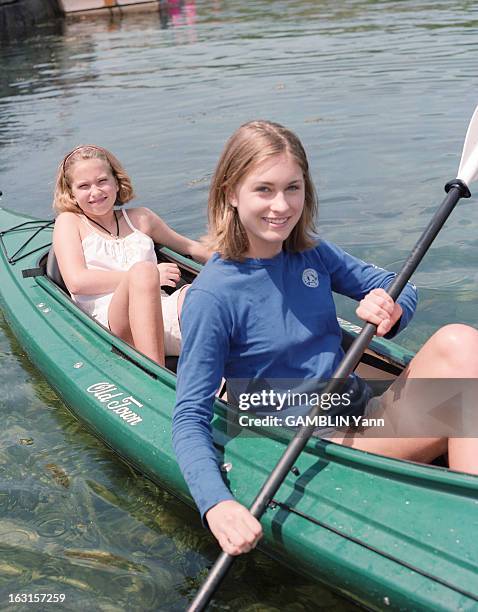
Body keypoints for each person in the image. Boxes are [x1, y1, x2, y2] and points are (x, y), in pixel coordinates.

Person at [172, 120, 478, 556]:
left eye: (292, 188)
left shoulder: (311, 253)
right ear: (230, 194)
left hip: (364, 412)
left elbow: (401, 284)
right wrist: (216, 504)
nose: (281, 205)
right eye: (264, 189)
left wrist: (390, 309)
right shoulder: (213, 295)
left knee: (459, 340)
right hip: (315, 447)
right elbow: (188, 416)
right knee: (465, 394)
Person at [53, 144, 210, 366]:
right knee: (143, 272)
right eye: (84, 186)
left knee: (202, 295)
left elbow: (191, 248)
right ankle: (156, 374)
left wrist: (246, 262)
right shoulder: (70, 223)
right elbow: (77, 282)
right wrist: (150, 275)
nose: (96, 192)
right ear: (71, 193)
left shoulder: (141, 218)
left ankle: (230, 379)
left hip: (159, 314)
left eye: (102, 181)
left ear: (116, 182)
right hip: (111, 323)